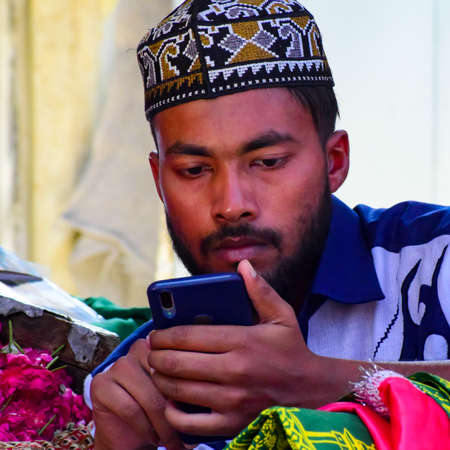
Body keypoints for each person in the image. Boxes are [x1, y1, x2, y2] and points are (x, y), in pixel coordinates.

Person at [88, 1, 450, 448]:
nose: (232, 205)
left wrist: (321, 382)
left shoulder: (436, 261)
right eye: (194, 170)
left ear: (334, 162)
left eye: (267, 162)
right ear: (159, 181)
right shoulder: (141, 383)